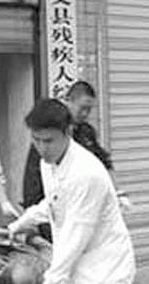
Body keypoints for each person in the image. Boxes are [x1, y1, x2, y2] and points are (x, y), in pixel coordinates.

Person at [9, 99, 136, 284]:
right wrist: (24, 220)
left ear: (68, 132)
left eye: (49, 141)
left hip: (107, 268)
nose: (42, 148)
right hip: (73, 273)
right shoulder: (48, 163)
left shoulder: (86, 173)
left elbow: (76, 236)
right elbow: (55, 201)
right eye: (36, 140)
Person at [22, 81, 113, 239]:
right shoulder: (47, 140)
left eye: (89, 109)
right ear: (69, 101)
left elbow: (104, 161)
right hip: (51, 219)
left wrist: (116, 193)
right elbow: (33, 187)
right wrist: (30, 223)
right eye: (82, 108)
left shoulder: (86, 133)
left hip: (83, 216)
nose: (85, 114)